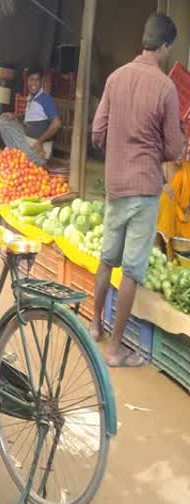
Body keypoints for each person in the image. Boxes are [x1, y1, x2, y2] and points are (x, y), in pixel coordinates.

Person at [90, 13, 184, 368]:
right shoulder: (164, 88)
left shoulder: (115, 79)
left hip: (116, 186)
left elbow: (98, 132)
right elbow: (174, 150)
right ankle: (115, 349)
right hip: (144, 190)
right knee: (131, 270)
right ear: (164, 47)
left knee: (106, 258)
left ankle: (96, 324)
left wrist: (118, 150)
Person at [0, 67, 61, 166]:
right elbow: (30, 119)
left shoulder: (45, 99)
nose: (34, 83)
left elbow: (57, 124)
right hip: (26, 141)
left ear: (41, 82)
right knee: (4, 120)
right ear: (27, 81)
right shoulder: (31, 98)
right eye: (31, 79)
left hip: (36, 149)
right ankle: (18, 155)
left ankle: (20, 156)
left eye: (37, 80)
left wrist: (40, 142)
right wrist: (15, 116)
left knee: (4, 124)